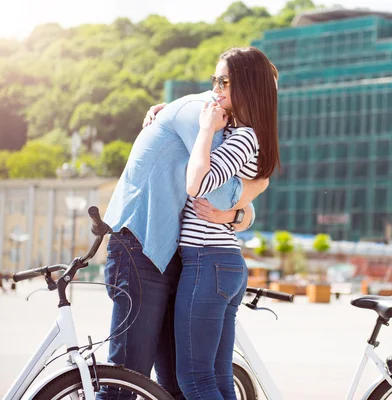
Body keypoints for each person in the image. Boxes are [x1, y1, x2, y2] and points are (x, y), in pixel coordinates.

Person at [98, 73, 269, 398]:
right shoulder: (202, 114)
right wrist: (261, 185)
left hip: (170, 254)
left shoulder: (219, 124)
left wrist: (241, 214)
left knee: (178, 384)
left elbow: (226, 201)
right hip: (141, 246)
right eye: (220, 80)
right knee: (126, 381)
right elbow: (217, 193)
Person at [174, 47, 279, 400]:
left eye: (224, 81)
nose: (215, 88)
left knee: (195, 379)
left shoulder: (245, 136)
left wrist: (205, 130)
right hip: (222, 263)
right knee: (218, 378)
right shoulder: (245, 132)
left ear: (246, 86)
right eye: (214, 80)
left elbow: (197, 184)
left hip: (208, 261)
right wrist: (166, 111)